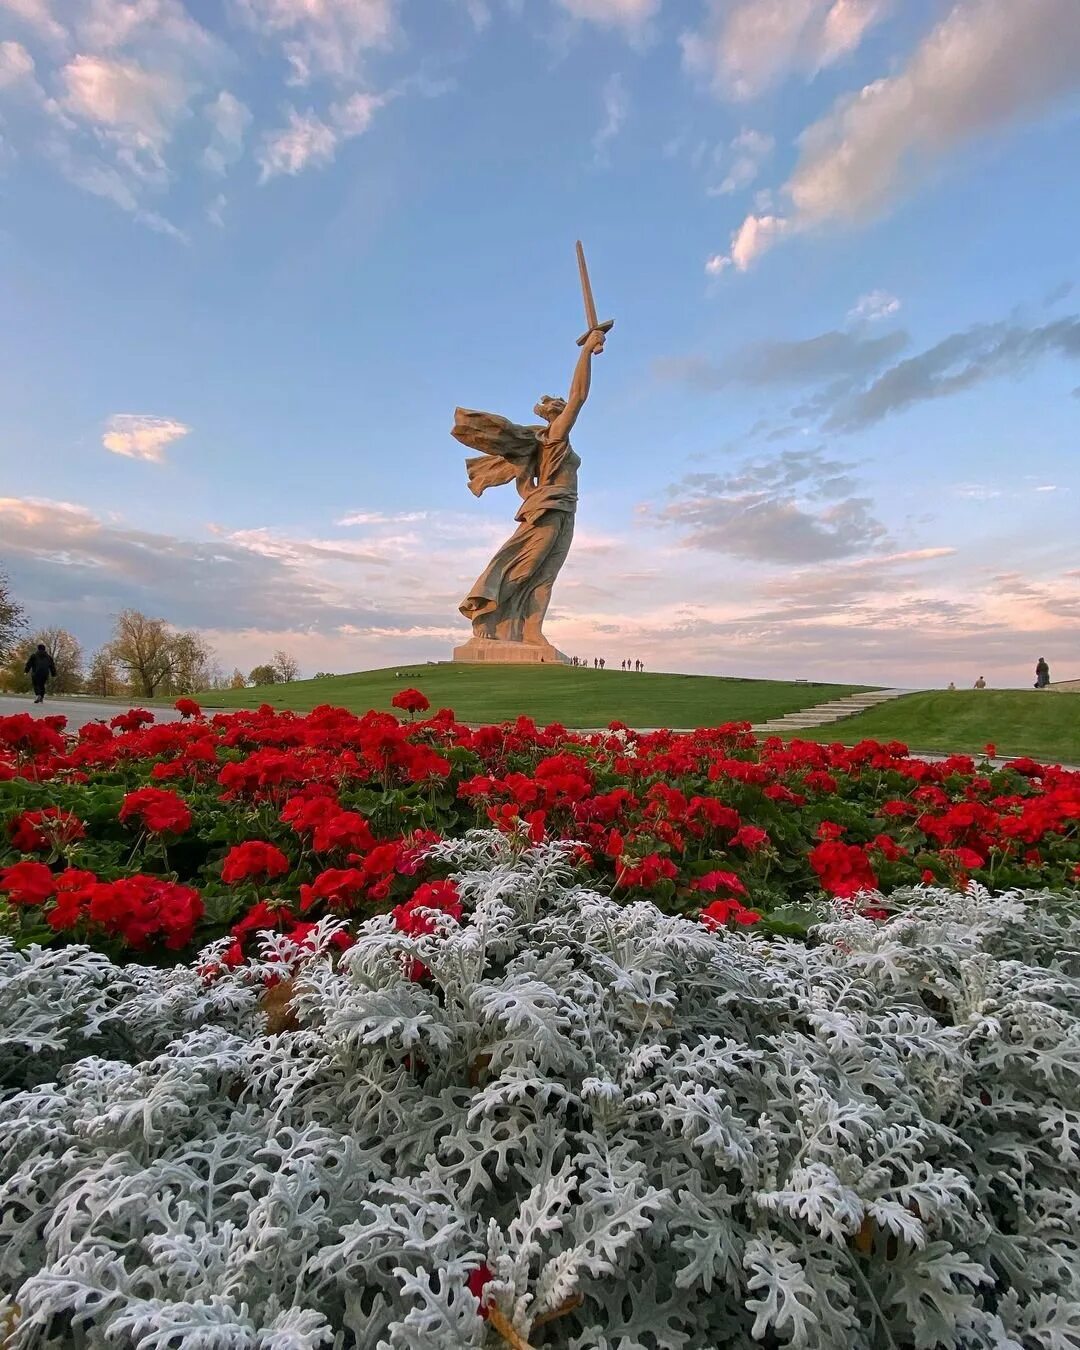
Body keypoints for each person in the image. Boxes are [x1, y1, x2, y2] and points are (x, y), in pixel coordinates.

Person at [453, 327, 608, 648]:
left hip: (564, 507)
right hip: (550, 508)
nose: (566, 407)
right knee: (526, 567)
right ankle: (486, 613)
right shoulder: (555, 436)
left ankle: (531, 630)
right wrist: (586, 351)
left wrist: (536, 497)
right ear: (556, 415)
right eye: (561, 408)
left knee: (546, 574)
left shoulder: (549, 444)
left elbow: (525, 484)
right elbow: (579, 396)